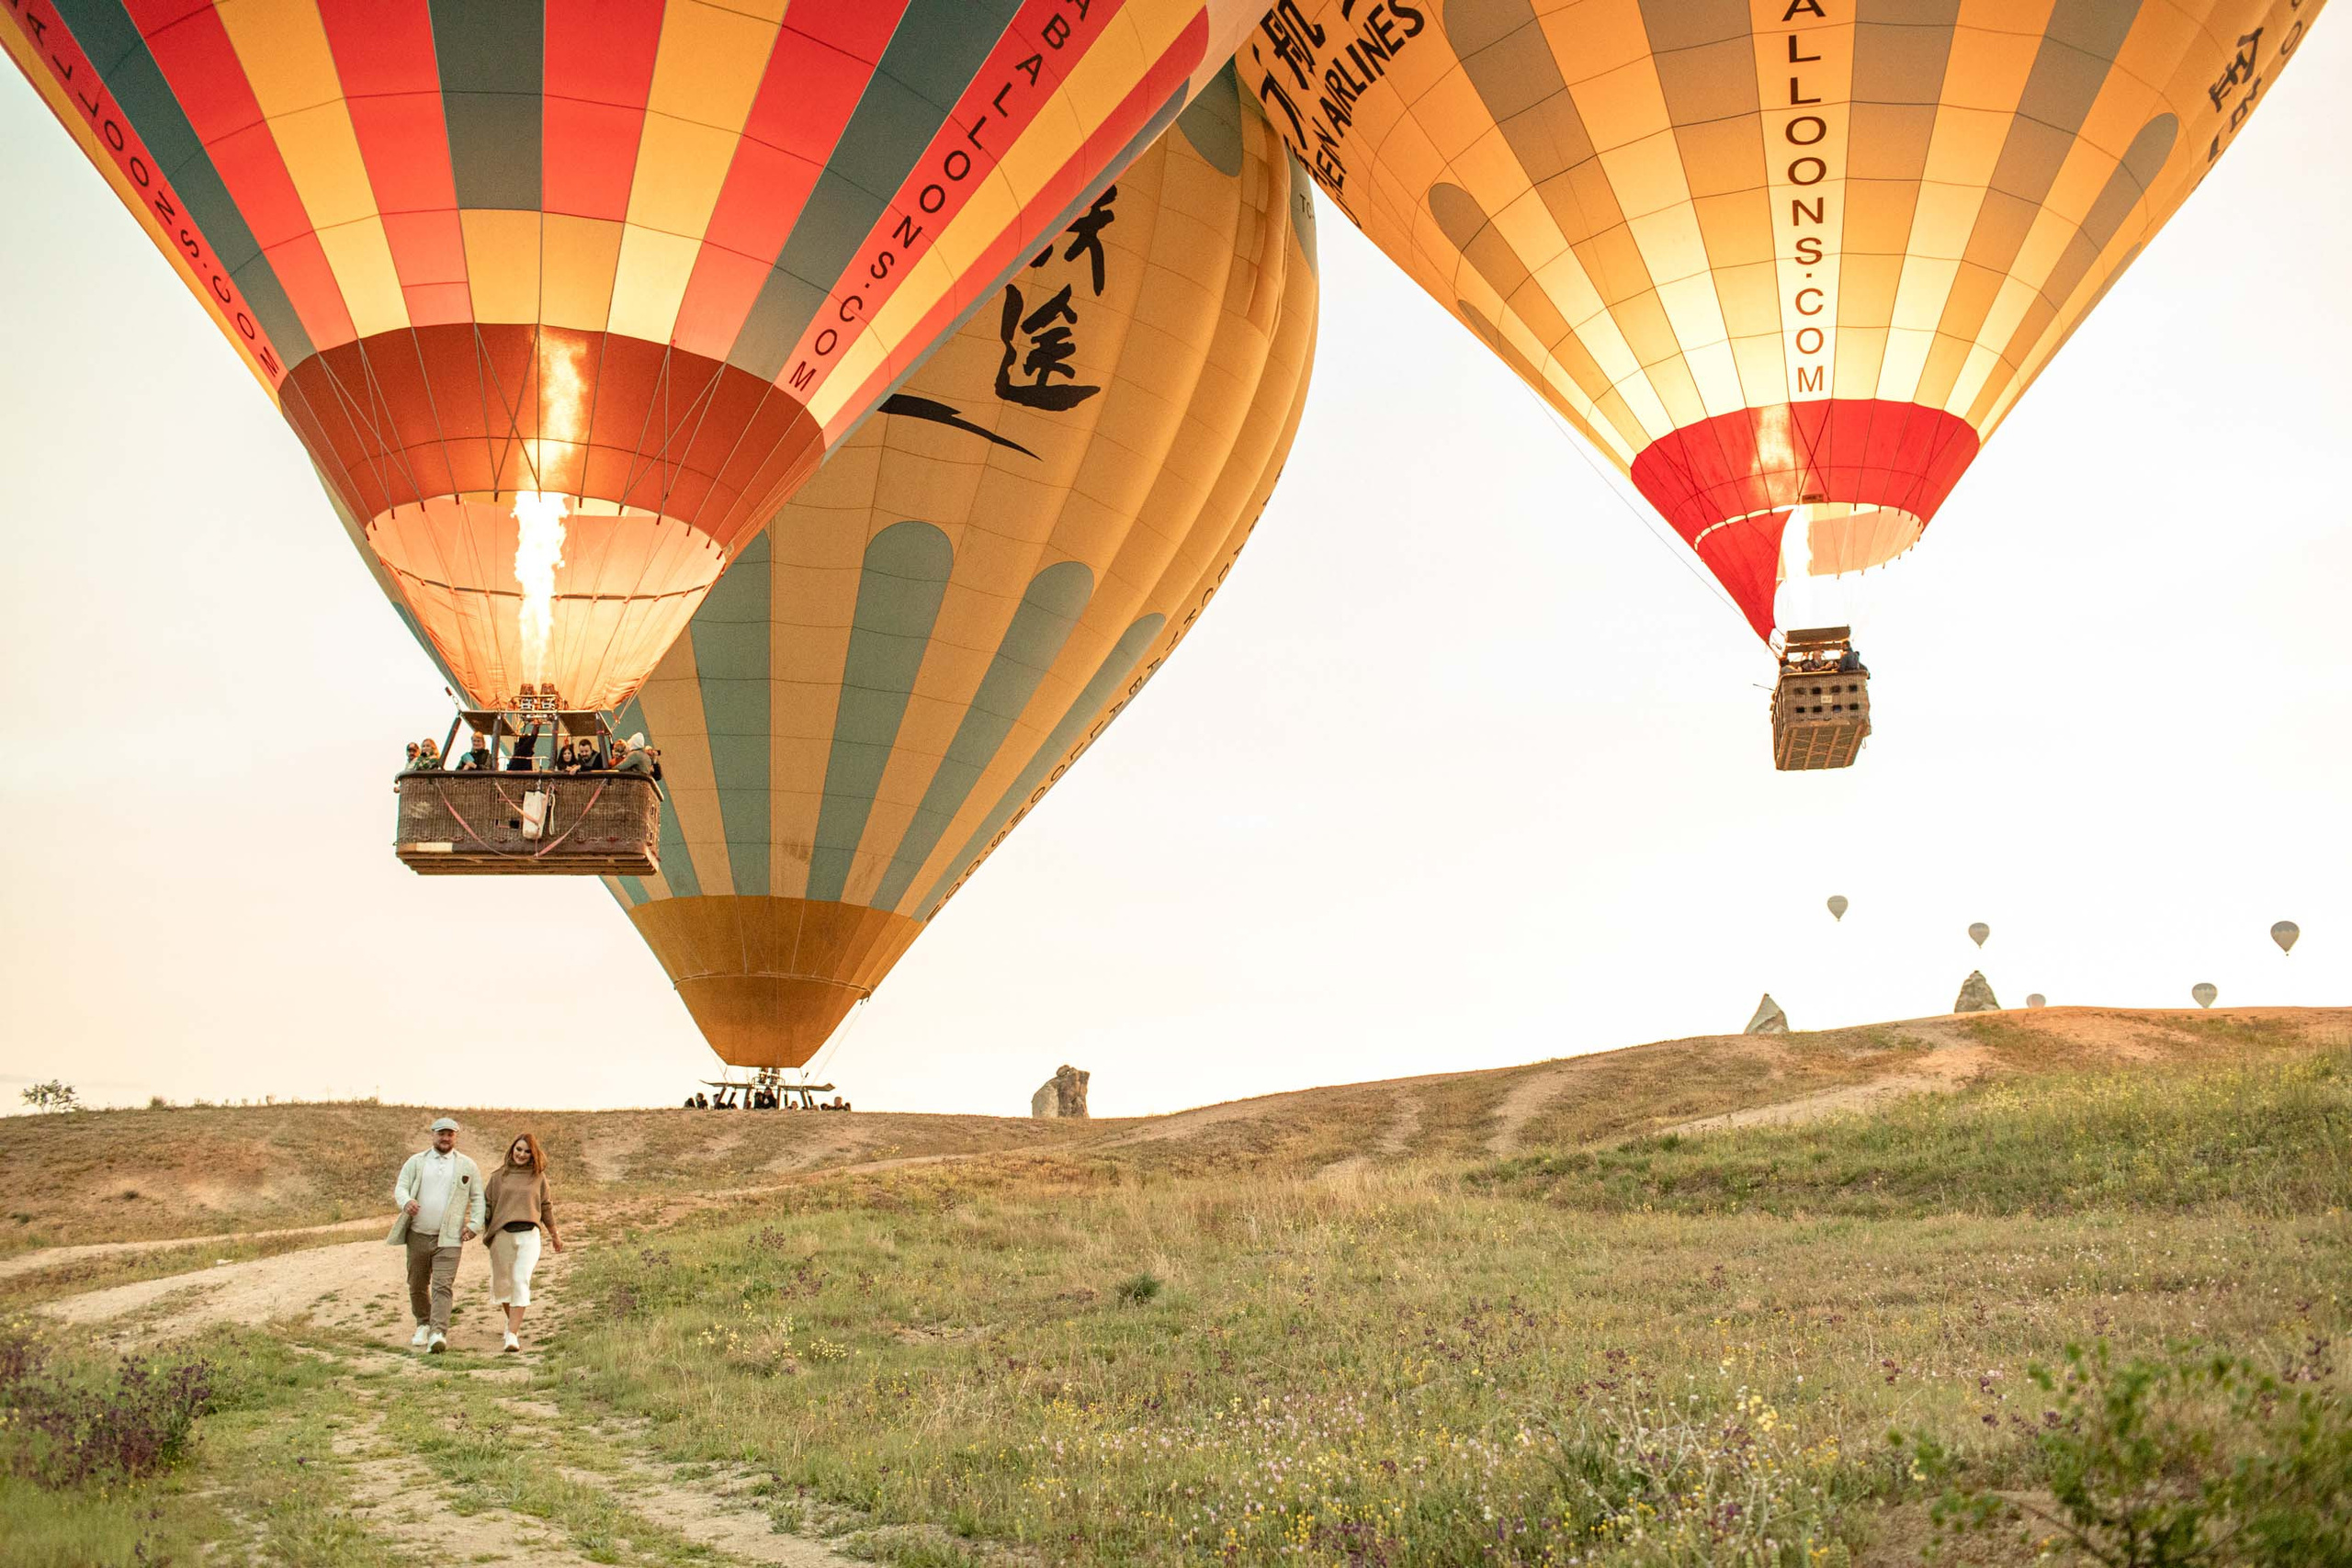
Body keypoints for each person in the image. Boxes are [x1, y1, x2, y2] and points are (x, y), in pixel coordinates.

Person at [389, 1117, 482, 1353]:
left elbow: (477, 1197)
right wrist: (406, 1201)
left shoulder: (467, 1165)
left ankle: (438, 1333)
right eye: (441, 1133)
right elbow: (401, 1187)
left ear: (456, 1137)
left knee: (443, 1286)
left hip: (449, 1238)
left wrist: (474, 1225)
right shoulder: (416, 1162)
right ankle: (423, 1323)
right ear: (433, 1134)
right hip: (418, 1234)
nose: (445, 1138)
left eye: (450, 1134)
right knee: (417, 1283)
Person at [481, 1132, 563, 1353]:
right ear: (512, 1150)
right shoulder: (498, 1177)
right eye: (519, 1149)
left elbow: (546, 1207)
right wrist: (472, 1227)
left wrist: (555, 1235)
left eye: (527, 1151)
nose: (522, 1154)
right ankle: (513, 1324)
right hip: (502, 1234)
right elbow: (486, 1206)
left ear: (533, 1154)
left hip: (529, 1235)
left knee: (520, 1280)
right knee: (503, 1284)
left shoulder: (538, 1178)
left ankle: (512, 1334)